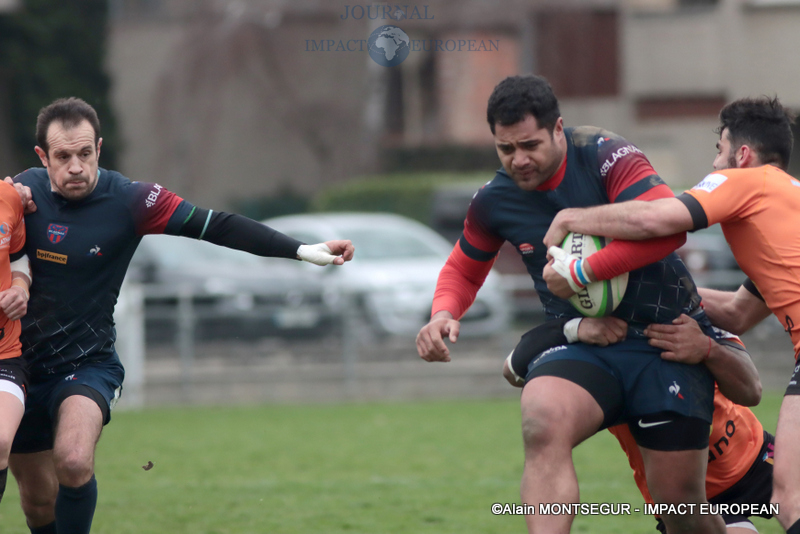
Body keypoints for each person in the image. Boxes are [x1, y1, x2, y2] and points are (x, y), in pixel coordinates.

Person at [5, 97, 355, 534]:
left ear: (99, 148)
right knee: (38, 502)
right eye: (63, 157)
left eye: (85, 154)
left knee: (74, 460)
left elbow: (216, 224)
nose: (76, 167)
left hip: (86, 363)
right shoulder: (21, 192)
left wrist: (301, 249)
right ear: (43, 157)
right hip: (18, 365)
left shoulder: (133, 200)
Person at [415, 74, 725, 533]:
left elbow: (669, 228)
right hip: (582, 346)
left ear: (558, 129)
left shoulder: (606, 155)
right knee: (542, 420)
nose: (519, 160)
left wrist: (582, 272)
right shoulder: (495, 199)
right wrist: (443, 313)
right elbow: (463, 267)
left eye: (530, 145)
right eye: (505, 149)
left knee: (679, 505)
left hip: (664, 340)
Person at [541, 96, 800, 533]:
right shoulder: (782, 208)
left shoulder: (746, 180)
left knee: (791, 498)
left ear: (742, 154)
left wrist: (574, 231)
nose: (714, 164)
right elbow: (738, 313)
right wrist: (654, 289)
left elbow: (655, 220)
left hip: (748, 449)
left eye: (719, 150)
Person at [504, 314, 774, 533]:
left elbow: (752, 391)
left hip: (758, 456)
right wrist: (573, 328)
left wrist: (708, 348)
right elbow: (512, 368)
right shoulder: (589, 340)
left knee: (792, 501)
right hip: (687, 498)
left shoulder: (685, 313)